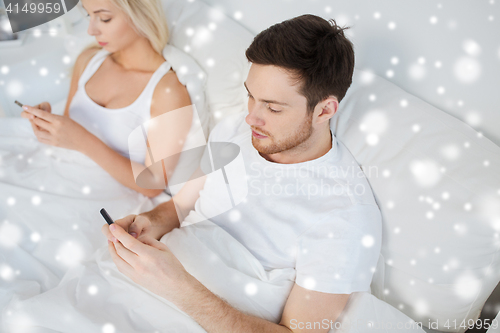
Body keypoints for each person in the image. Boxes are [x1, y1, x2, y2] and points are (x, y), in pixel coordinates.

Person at [103, 14, 382, 332]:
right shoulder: (235, 131)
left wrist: (177, 286)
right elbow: (180, 207)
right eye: (250, 96)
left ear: (325, 110)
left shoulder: (344, 216)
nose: (252, 117)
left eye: (273, 108)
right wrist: (148, 223)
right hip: (131, 287)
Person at [20, 0, 193, 198]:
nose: (91, 30)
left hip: (104, 196)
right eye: (88, 16)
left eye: (104, 18)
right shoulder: (88, 60)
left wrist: (82, 140)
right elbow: (70, 124)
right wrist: (48, 122)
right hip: (55, 175)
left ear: (140, 15)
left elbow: (153, 184)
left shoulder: (167, 91)